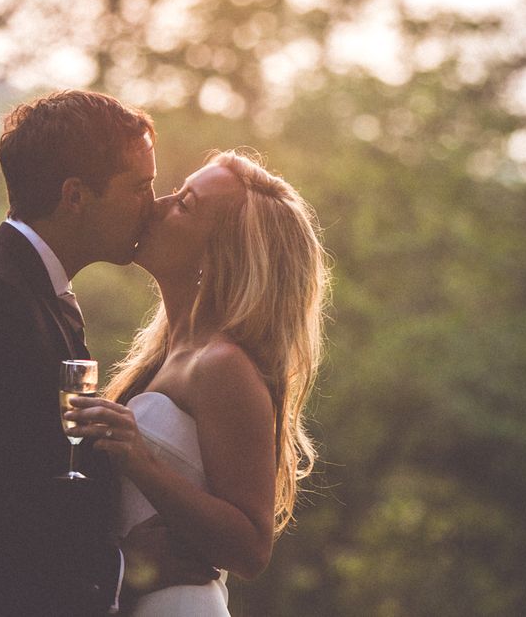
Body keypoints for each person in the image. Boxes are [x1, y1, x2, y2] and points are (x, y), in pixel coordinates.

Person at [0, 90, 217, 617]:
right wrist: (124, 566)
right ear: (75, 196)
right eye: (139, 187)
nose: (153, 205)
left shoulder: (28, 289)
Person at [65, 149, 330, 616]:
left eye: (184, 204)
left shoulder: (222, 366)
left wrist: (140, 458)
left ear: (217, 255)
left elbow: (251, 548)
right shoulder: (167, 354)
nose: (159, 204)